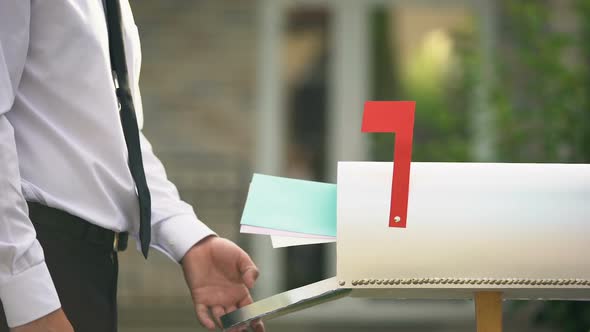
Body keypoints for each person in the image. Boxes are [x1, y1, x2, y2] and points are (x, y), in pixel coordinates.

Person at [0, 1, 264, 331]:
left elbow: (119, 141)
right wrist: (28, 299)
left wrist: (189, 237)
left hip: (88, 269)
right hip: (37, 264)